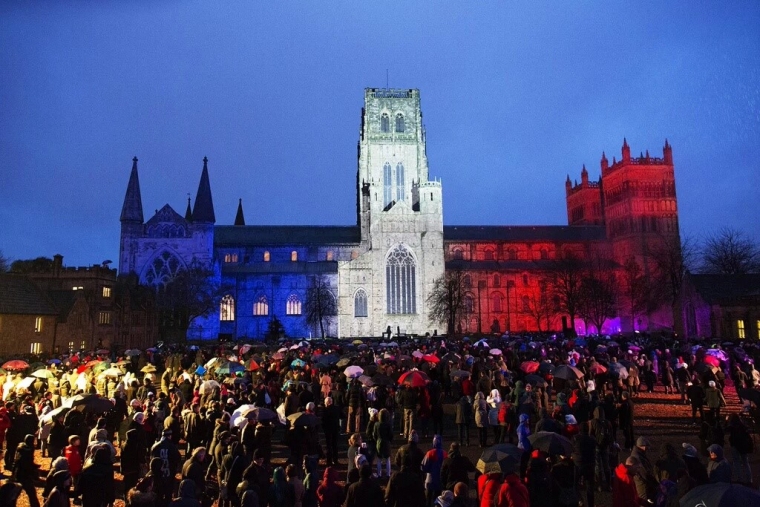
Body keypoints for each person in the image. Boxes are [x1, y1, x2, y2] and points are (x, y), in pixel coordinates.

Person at [13, 434, 40, 507]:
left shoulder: (20, 447)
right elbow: (27, 464)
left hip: (18, 473)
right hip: (25, 475)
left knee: (14, 494)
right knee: (32, 494)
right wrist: (34, 469)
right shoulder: (28, 450)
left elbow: (17, 462)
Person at [588, 406, 612, 491]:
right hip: (605, 446)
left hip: (596, 446)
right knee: (606, 465)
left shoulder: (593, 422)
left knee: (598, 466)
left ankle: (599, 485)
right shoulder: (608, 423)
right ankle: (609, 484)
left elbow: (590, 434)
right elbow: (611, 435)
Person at [726, 414, 753, 485]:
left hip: (735, 445)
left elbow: (725, 429)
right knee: (745, 462)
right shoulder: (742, 426)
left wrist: (726, 421)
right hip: (743, 446)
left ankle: (739, 478)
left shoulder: (732, 426)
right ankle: (749, 479)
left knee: (736, 462)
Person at [421, 435, 447, 507]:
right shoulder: (444, 454)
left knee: (428, 500)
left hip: (430, 480)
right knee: (438, 501)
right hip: (439, 480)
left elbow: (423, 467)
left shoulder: (429, 453)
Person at [373, 408, 393, 477]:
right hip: (386, 442)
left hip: (379, 442)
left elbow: (374, 435)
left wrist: (377, 440)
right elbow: (391, 435)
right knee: (387, 459)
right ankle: (388, 473)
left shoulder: (376, 424)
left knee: (379, 459)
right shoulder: (388, 424)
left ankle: (379, 473)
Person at [322, 397, 341, 467]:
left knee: (328, 445)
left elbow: (323, 420)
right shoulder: (337, 408)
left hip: (328, 430)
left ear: (327, 403)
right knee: (335, 445)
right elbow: (342, 415)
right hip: (335, 428)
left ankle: (329, 460)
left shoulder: (325, 410)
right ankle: (335, 460)